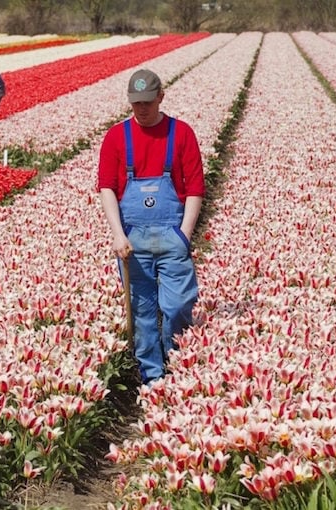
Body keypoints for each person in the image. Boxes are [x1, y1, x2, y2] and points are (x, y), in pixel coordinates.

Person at [97, 69, 205, 386]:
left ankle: (175, 357)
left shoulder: (181, 133)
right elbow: (106, 188)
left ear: (161, 96)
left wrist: (184, 235)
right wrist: (118, 234)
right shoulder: (117, 137)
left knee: (178, 305)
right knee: (142, 310)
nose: (141, 109)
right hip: (133, 237)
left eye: (147, 102)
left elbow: (196, 188)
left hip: (172, 234)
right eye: (135, 103)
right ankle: (152, 376)